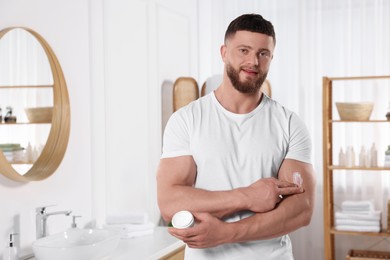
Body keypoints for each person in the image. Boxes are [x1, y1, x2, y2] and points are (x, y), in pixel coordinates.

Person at [156, 13, 315, 259]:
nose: (253, 61)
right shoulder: (186, 120)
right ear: (224, 52)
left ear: (271, 58)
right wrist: (247, 196)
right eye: (244, 50)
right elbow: (170, 204)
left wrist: (227, 232)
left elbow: (301, 210)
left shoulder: (290, 124)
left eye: (264, 53)